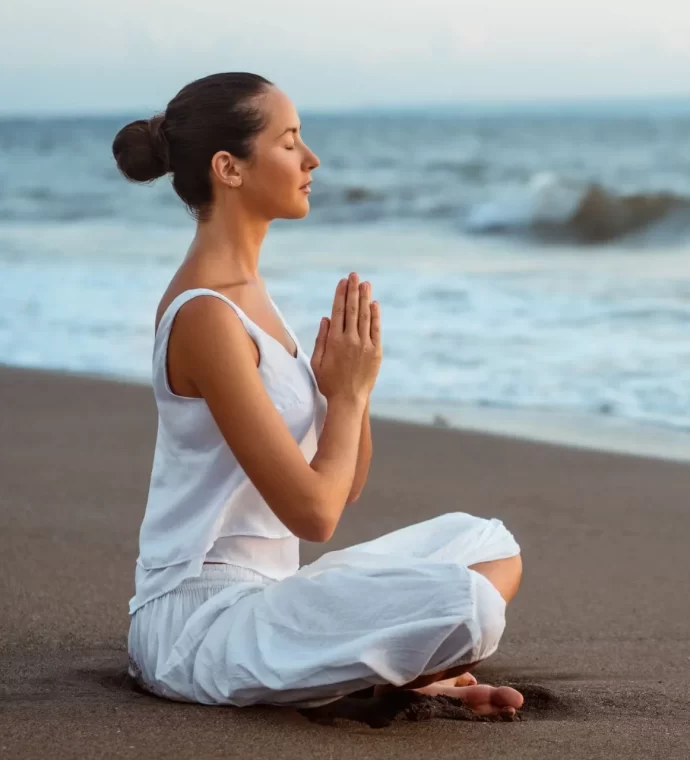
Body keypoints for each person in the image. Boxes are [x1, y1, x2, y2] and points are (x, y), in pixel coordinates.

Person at [113, 72, 524, 719]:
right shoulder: (206, 317)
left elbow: (345, 485)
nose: (312, 159)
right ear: (230, 168)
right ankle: (393, 673)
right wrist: (352, 399)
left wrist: (345, 395)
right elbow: (315, 515)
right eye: (289, 141)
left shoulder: (252, 300)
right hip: (198, 626)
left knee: (487, 544)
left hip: (275, 596)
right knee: (469, 607)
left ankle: (378, 673)